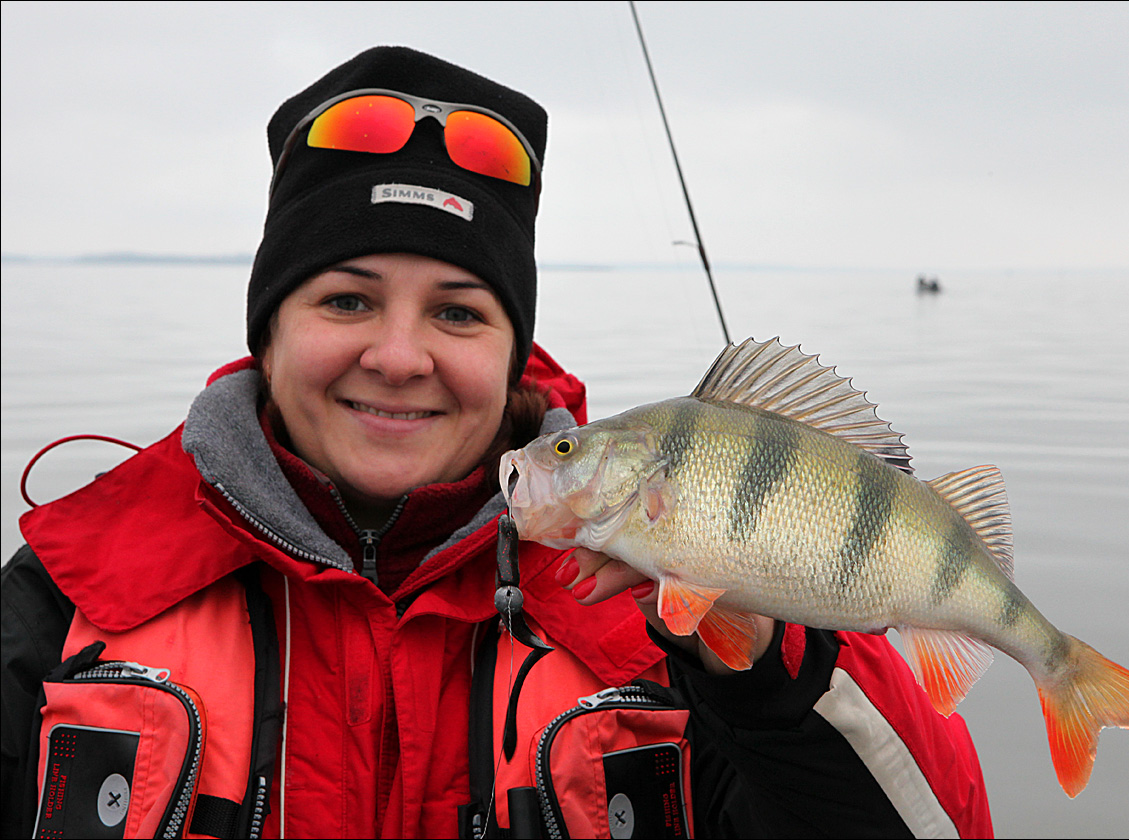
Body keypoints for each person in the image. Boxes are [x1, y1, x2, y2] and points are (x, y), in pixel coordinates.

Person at [0, 46, 993, 838]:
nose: (398, 356)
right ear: (267, 330)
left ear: (516, 352)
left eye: (460, 313)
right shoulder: (70, 598)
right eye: (346, 299)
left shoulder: (682, 617)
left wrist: (775, 691)